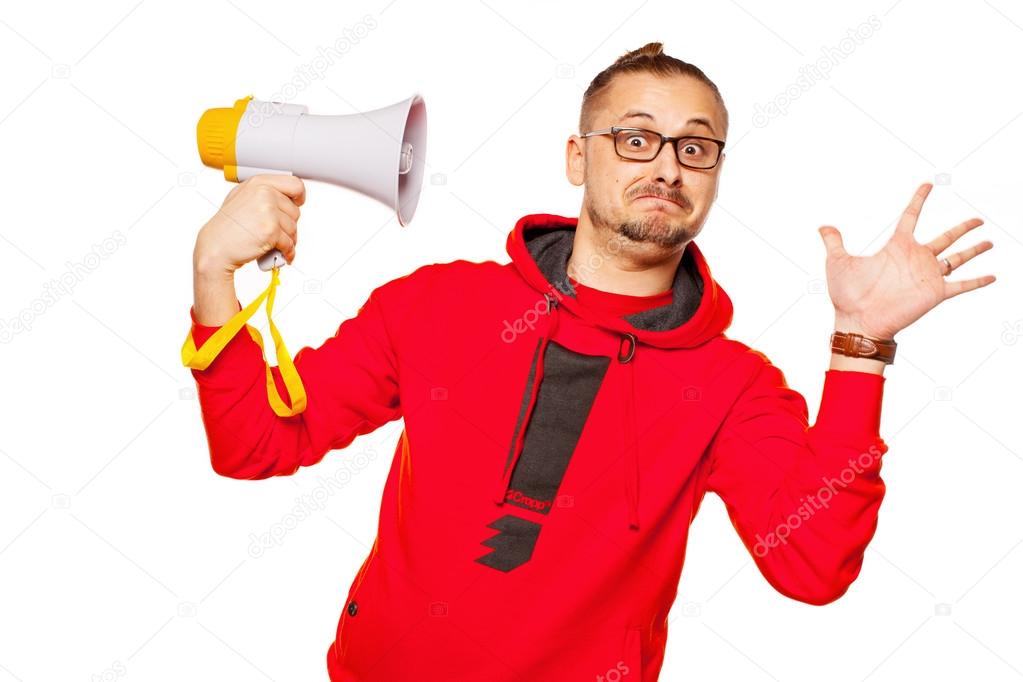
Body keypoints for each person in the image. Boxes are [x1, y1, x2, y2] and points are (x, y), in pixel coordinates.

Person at [185, 42, 996, 681]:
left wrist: (859, 346)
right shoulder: (434, 306)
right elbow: (257, 444)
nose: (666, 166)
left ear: (714, 175)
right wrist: (214, 272)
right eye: (635, 137)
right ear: (578, 158)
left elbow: (813, 568)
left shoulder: (732, 386)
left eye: (695, 147)